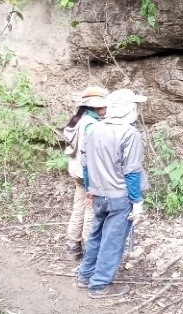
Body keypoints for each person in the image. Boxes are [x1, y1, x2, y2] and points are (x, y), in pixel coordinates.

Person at [77, 88, 148, 299]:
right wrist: (137, 201)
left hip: (98, 194)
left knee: (96, 235)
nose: (137, 109)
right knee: (113, 241)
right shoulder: (129, 133)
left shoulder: (95, 129)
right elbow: (132, 170)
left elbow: (85, 164)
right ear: (127, 109)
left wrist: (90, 189)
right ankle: (100, 285)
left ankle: (85, 275)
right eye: (135, 105)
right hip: (120, 196)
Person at [61, 85, 109, 260]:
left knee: (79, 207)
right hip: (88, 174)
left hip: (76, 171)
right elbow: (92, 155)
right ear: (94, 107)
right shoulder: (92, 125)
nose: (106, 109)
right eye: (103, 106)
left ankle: (72, 247)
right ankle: (91, 251)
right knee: (91, 211)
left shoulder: (80, 119)